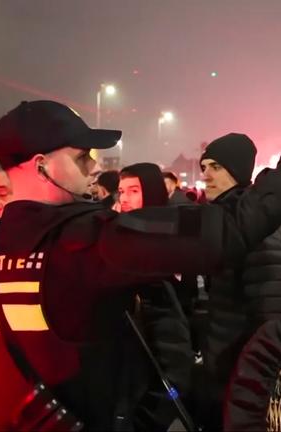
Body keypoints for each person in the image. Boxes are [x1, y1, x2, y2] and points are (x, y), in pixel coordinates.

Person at [0, 99, 281, 430]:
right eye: (82, 156)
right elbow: (225, 231)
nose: (95, 167)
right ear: (41, 165)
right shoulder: (85, 241)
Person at [197, 132, 281, 429]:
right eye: (204, 167)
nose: (205, 175)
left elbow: (269, 321)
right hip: (221, 368)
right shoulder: (223, 222)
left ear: (238, 171)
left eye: (216, 167)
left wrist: (248, 382)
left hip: (241, 378)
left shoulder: (261, 233)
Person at [117, 162, 195, 431]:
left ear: (150, 193)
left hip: (149, 395)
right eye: (121, 191)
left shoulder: (158, 248)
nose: (124, 199)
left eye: (133, 190)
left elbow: (172, 347)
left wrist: (151, 415)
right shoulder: (122, 240)